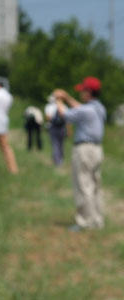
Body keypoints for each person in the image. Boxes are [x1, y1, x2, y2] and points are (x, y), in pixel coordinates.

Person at [54, 77, 106, 231]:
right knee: (95, 186)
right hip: (97, 150)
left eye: (83, 90)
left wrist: (58, 100)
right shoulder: (98, 108)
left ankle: (85, 221)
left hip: (84, 150)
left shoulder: (85, 110)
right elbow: (79, 107)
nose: (81, 93)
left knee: (83, 185)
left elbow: (66, 114)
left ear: (89, 92)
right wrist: (67, 97)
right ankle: (97, 219)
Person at [45, 95, 68, 166]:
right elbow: (67, 119)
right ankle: (60, 159)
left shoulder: (49, 107)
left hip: (53, 127)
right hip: (62, 128)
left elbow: (48, 117)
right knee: (61, 144)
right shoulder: (65, 107)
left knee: (55, 144)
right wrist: (69, 130)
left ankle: (57, 161)